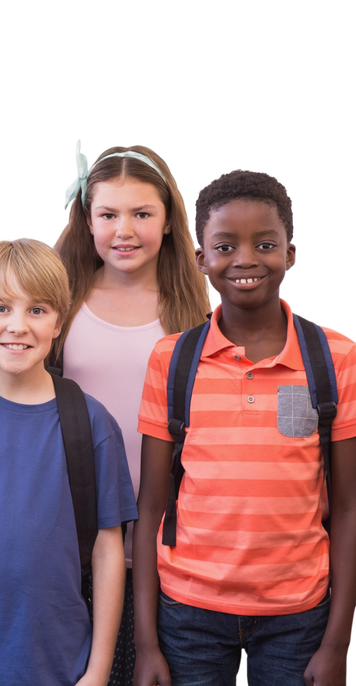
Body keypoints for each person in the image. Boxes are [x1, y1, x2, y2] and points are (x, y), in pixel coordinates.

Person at [134, 167, 356, 686]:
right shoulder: (172, 360)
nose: (245, 260)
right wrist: (146, 645)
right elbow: (149, 510)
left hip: (299, 618)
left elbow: (346, 509)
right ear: (201, 260)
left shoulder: (335, 355)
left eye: (265, 243)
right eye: (225, 245)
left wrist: (338, 643)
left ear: (291, 254)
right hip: (188, 612)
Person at [0, 235, 138, 685]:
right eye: (0, 308)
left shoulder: (90, 423)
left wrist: (97, 672)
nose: (18, 326)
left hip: (61, 662)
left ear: (58, 322)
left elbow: (108, 551)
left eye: (37, 310)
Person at [52, 137, 214, 684]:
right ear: (86, 218)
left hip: (171, 534)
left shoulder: (196, 310)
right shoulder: (61, 300)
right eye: (109, 214)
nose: (124, 230)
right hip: (74, 529)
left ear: (169, 220)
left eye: (142, 214)